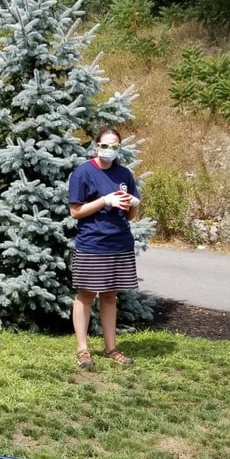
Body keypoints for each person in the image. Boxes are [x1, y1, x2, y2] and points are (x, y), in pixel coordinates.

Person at [67, 126, 142, 370]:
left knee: (110, 295)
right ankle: (83, 350)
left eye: (115, 146)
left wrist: (134, 205)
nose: (110, 150)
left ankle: (112, 348)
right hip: (92, 244)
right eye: (105, 145)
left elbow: (130, 217)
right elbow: (75, 212)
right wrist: (103, 201)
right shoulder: (83, 173)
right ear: (96, 146)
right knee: (86, 295)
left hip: (119, 244)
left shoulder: (124, 174)